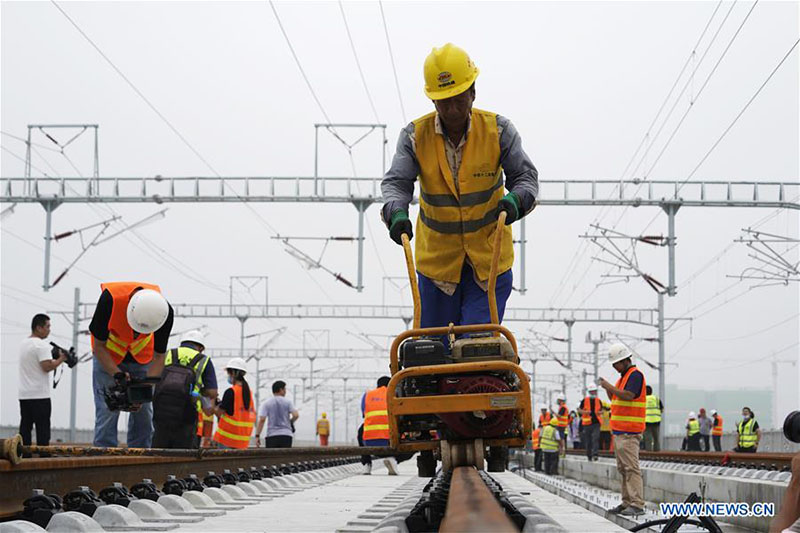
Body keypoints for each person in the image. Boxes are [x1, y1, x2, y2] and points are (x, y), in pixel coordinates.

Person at [380, 43, 538, 333]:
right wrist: (395, 212)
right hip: (437, 268)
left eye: (458, 98)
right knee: (433, 352)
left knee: (475, 348)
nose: (452, 109)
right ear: (433, 101)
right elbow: (397, 183)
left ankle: (482, 379)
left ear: (473, 92)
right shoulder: (414, 137)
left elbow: (526, 178)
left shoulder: (499, 131)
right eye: (443, 101)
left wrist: (517, 200)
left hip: (488, 265)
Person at [89, 282, 173, 448]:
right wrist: (117, 375)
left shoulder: (165, 312)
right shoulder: (109, 300)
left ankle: (139, 456)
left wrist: (145, 388)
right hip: (108, 356)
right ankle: (104, 455)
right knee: (108, 410)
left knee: (144, 414)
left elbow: (159, 356)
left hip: (142, 358)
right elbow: (98, 347)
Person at [598, 343, 646, 517]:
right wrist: (609, 388)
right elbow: (617, 398)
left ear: (625, 360)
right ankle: (627, 502)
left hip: (629, 432)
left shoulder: (635, 376)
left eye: (616, 364)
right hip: (620, 432)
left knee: (631, 468)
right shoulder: (623, 378)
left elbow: (628, 395)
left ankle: (637, 504)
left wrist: (608, 387)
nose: (614, 367)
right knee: (623, 468)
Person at [152, 330, 216, 449]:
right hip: (187, 411)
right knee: (184, 452)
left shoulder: (168, 354)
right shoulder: (203, 360)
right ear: (201, 347)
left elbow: (154, 376)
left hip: (161, 409)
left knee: (159, 449)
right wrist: (200, 390)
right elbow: (212, 392)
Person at [18, 314, 67, 450]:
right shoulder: (41, 345)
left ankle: (24, 454)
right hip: (40, 395)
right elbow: (47, 367)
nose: (49, 330)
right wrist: (61, 359)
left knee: (25, 427)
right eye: (47, 326)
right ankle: (43, 455)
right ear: (39, 328)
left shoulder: (23, 343)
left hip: (24, 394)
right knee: (43, 429)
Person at [360, 376, 414, 475]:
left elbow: (364, 415)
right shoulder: (396, 394)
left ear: (377, 386)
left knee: (361, 430)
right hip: (394, 444)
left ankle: (366, 464)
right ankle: (394, 459)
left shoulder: (367, 395)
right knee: (414, 437)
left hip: (370, 443)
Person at [212, 358, 256, 448]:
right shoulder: (248, 393)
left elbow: (219, 413)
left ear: (233, 373)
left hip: (227, 440)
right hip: (242, 442)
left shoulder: (231, 391)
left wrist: (213, 401)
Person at [255, 380, 299, 449]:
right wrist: (291, 421)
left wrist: (257, 435)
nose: (285, 391)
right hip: (286, 435)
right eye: (284, 389)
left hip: (272, 436)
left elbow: (262, 420)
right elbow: (296, 415)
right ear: (281, 390)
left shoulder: (267, 403)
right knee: (284, 458)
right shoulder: (288, 402)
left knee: (272, 459)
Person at [578, 385, 602, 461]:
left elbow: (601, 410)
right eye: (591, 391)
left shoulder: (598, 400)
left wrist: (600, 412)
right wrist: (585, 412)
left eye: (594, 391)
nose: (593, 392)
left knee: (595, 438)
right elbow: (579, 410)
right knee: (588, 440)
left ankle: (595, 454)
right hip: (587, 424)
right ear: (589, 392)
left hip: (596, 423)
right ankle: (589, 455)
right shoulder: (584, 400)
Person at [643, 385, 663, 451]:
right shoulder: (656, 399)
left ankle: (649, 452)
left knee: (648, 438)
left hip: (646, 421)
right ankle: (657, 452)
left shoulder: (643, 399)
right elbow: (661, 409)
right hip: (656, 421)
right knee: (656, 438)